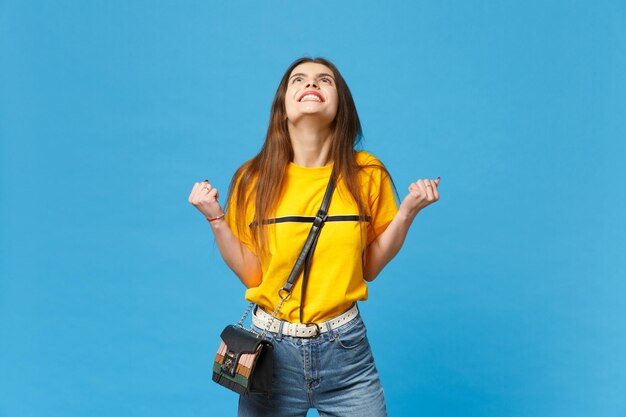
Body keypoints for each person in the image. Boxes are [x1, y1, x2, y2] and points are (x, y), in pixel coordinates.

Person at [188, 57, 440, 417]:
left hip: (346, 352)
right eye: (299, 80)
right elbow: (253, 274)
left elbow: (369, 267)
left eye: (325, 80)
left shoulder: (367, 173)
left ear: (341, 106)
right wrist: (215, 218)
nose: (312, 84)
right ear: (283, 107)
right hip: (269, 353)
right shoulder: (253, 178)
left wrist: (408, 212)